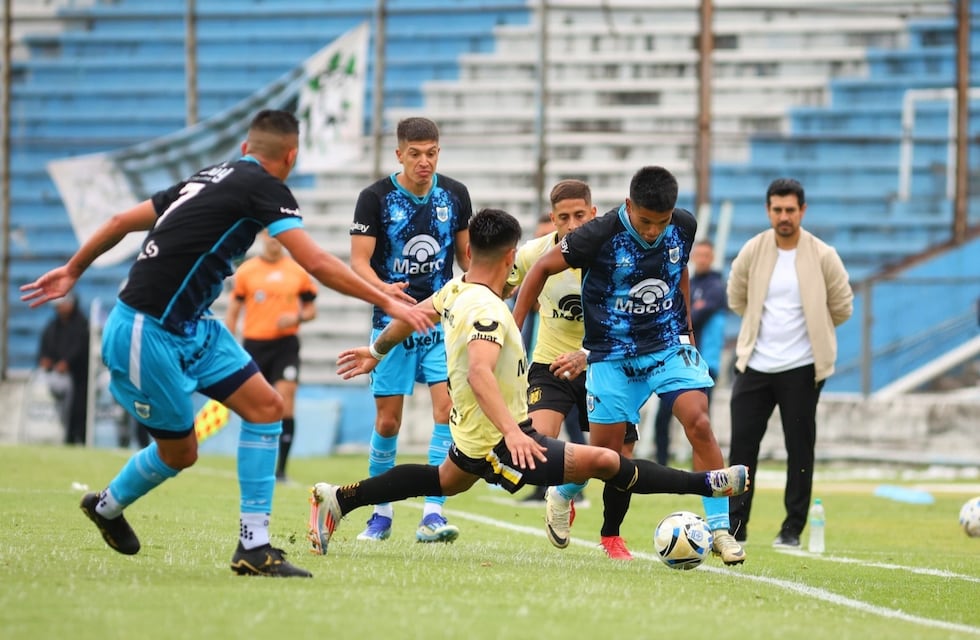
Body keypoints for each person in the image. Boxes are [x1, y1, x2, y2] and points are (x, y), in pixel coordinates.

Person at [20, 109, 433, 578]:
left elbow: (119, 220)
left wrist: (73, 269)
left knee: (267, 408)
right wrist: (388, 300)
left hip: (194, 326)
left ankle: (253, 546)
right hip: (144, 330)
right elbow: (316, 262)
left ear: (244, 149)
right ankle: (107, 506)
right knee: (181, 453)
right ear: (291, 156)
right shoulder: (265, 187)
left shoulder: (206, 177)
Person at [307, 207, 749, 556]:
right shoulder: (488, 311)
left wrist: (376, 351)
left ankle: (340, 499)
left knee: (443, 480)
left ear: (468, 253)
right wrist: (514, 433)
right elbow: (480, 372)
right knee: (605, 461)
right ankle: (709, 483)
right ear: (510, 257)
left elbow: (411, 316)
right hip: (500, 441)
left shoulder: (455, 290)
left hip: (473, 433)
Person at [511, 165, 746, 565]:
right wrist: (513, 333)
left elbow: (679, 268)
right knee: (606, 458)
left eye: (661, 222)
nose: (653, 231)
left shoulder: (683, 225)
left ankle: (721, 529)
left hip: (665, 345)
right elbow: (541, 268)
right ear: (628, 206)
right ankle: (563, 492)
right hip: (611, 354)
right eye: (645, 222)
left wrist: (686, 330)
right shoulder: (597, 234)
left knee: (698, 421)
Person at [348, 116, 471, 543]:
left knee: (446, 411)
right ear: (399, 154)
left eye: (431, 153)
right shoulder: (375, 198)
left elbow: (467, 259)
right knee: (388, 423)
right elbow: (358, 262)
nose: (424, 162)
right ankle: (380, 514)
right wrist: (382, 290)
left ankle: (433, 513)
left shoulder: (455, 194)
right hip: (393, 322)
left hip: (440, 320)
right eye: (415, 154)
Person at [726, 177, 853, 548]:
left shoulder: (823, 254)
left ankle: (792, 529)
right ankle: (735, 526)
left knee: (799, 450)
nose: (784, 216)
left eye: (790, 210)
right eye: (778, 209)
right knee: (741, 450)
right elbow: (736, 297)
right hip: (754, 366)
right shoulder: (753, 250)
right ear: (768, 210)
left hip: (802, 368)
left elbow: (842, 306)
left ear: (802, 211)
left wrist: (814, 330)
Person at [504, 181, 607, 507]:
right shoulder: (533, 253)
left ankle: (564, 494)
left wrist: (587, 355)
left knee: (616, 456)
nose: (573, 225)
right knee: (538, 447)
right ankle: (549, 492)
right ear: (553, 218)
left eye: (580, 215)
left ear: (593, 213)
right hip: (551, 361)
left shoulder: (613, 254)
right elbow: (496, 284)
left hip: (603, 362)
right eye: (564, 217)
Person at [225, 229, 318, 483]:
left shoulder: (297, 271)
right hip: (254, 346)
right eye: (269, 234)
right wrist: (229, 345)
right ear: (262, 236)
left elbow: (311, 310)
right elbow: (233, 311)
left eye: (277, 234)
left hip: (285, 346)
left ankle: (281, 470)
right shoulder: (246, 271)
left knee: (286, 400)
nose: (274, 239)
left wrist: (296, 317)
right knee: (256, 407)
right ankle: (254, 465)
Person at [653, 239, 726, 465]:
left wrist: (682, 313)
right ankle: (662, 466)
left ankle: (702, 471)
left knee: (700, 423)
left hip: (704, 364)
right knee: (662, 418)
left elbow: (691, 317)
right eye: (699, 255)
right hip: (678, 362)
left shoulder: (716, 287)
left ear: (712, 258)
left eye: (706, 255)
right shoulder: (688, 283)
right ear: (693, 258)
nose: (702, 259)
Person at [37, 292, 90, 445]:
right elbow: (45, 348)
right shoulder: (53, 326)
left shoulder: (82, 325)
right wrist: (45, 359)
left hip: (79, 378)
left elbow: (80, 349)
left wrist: (67, 363)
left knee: (78, 409)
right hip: (56, 375)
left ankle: (76, 437)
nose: (59, 309)